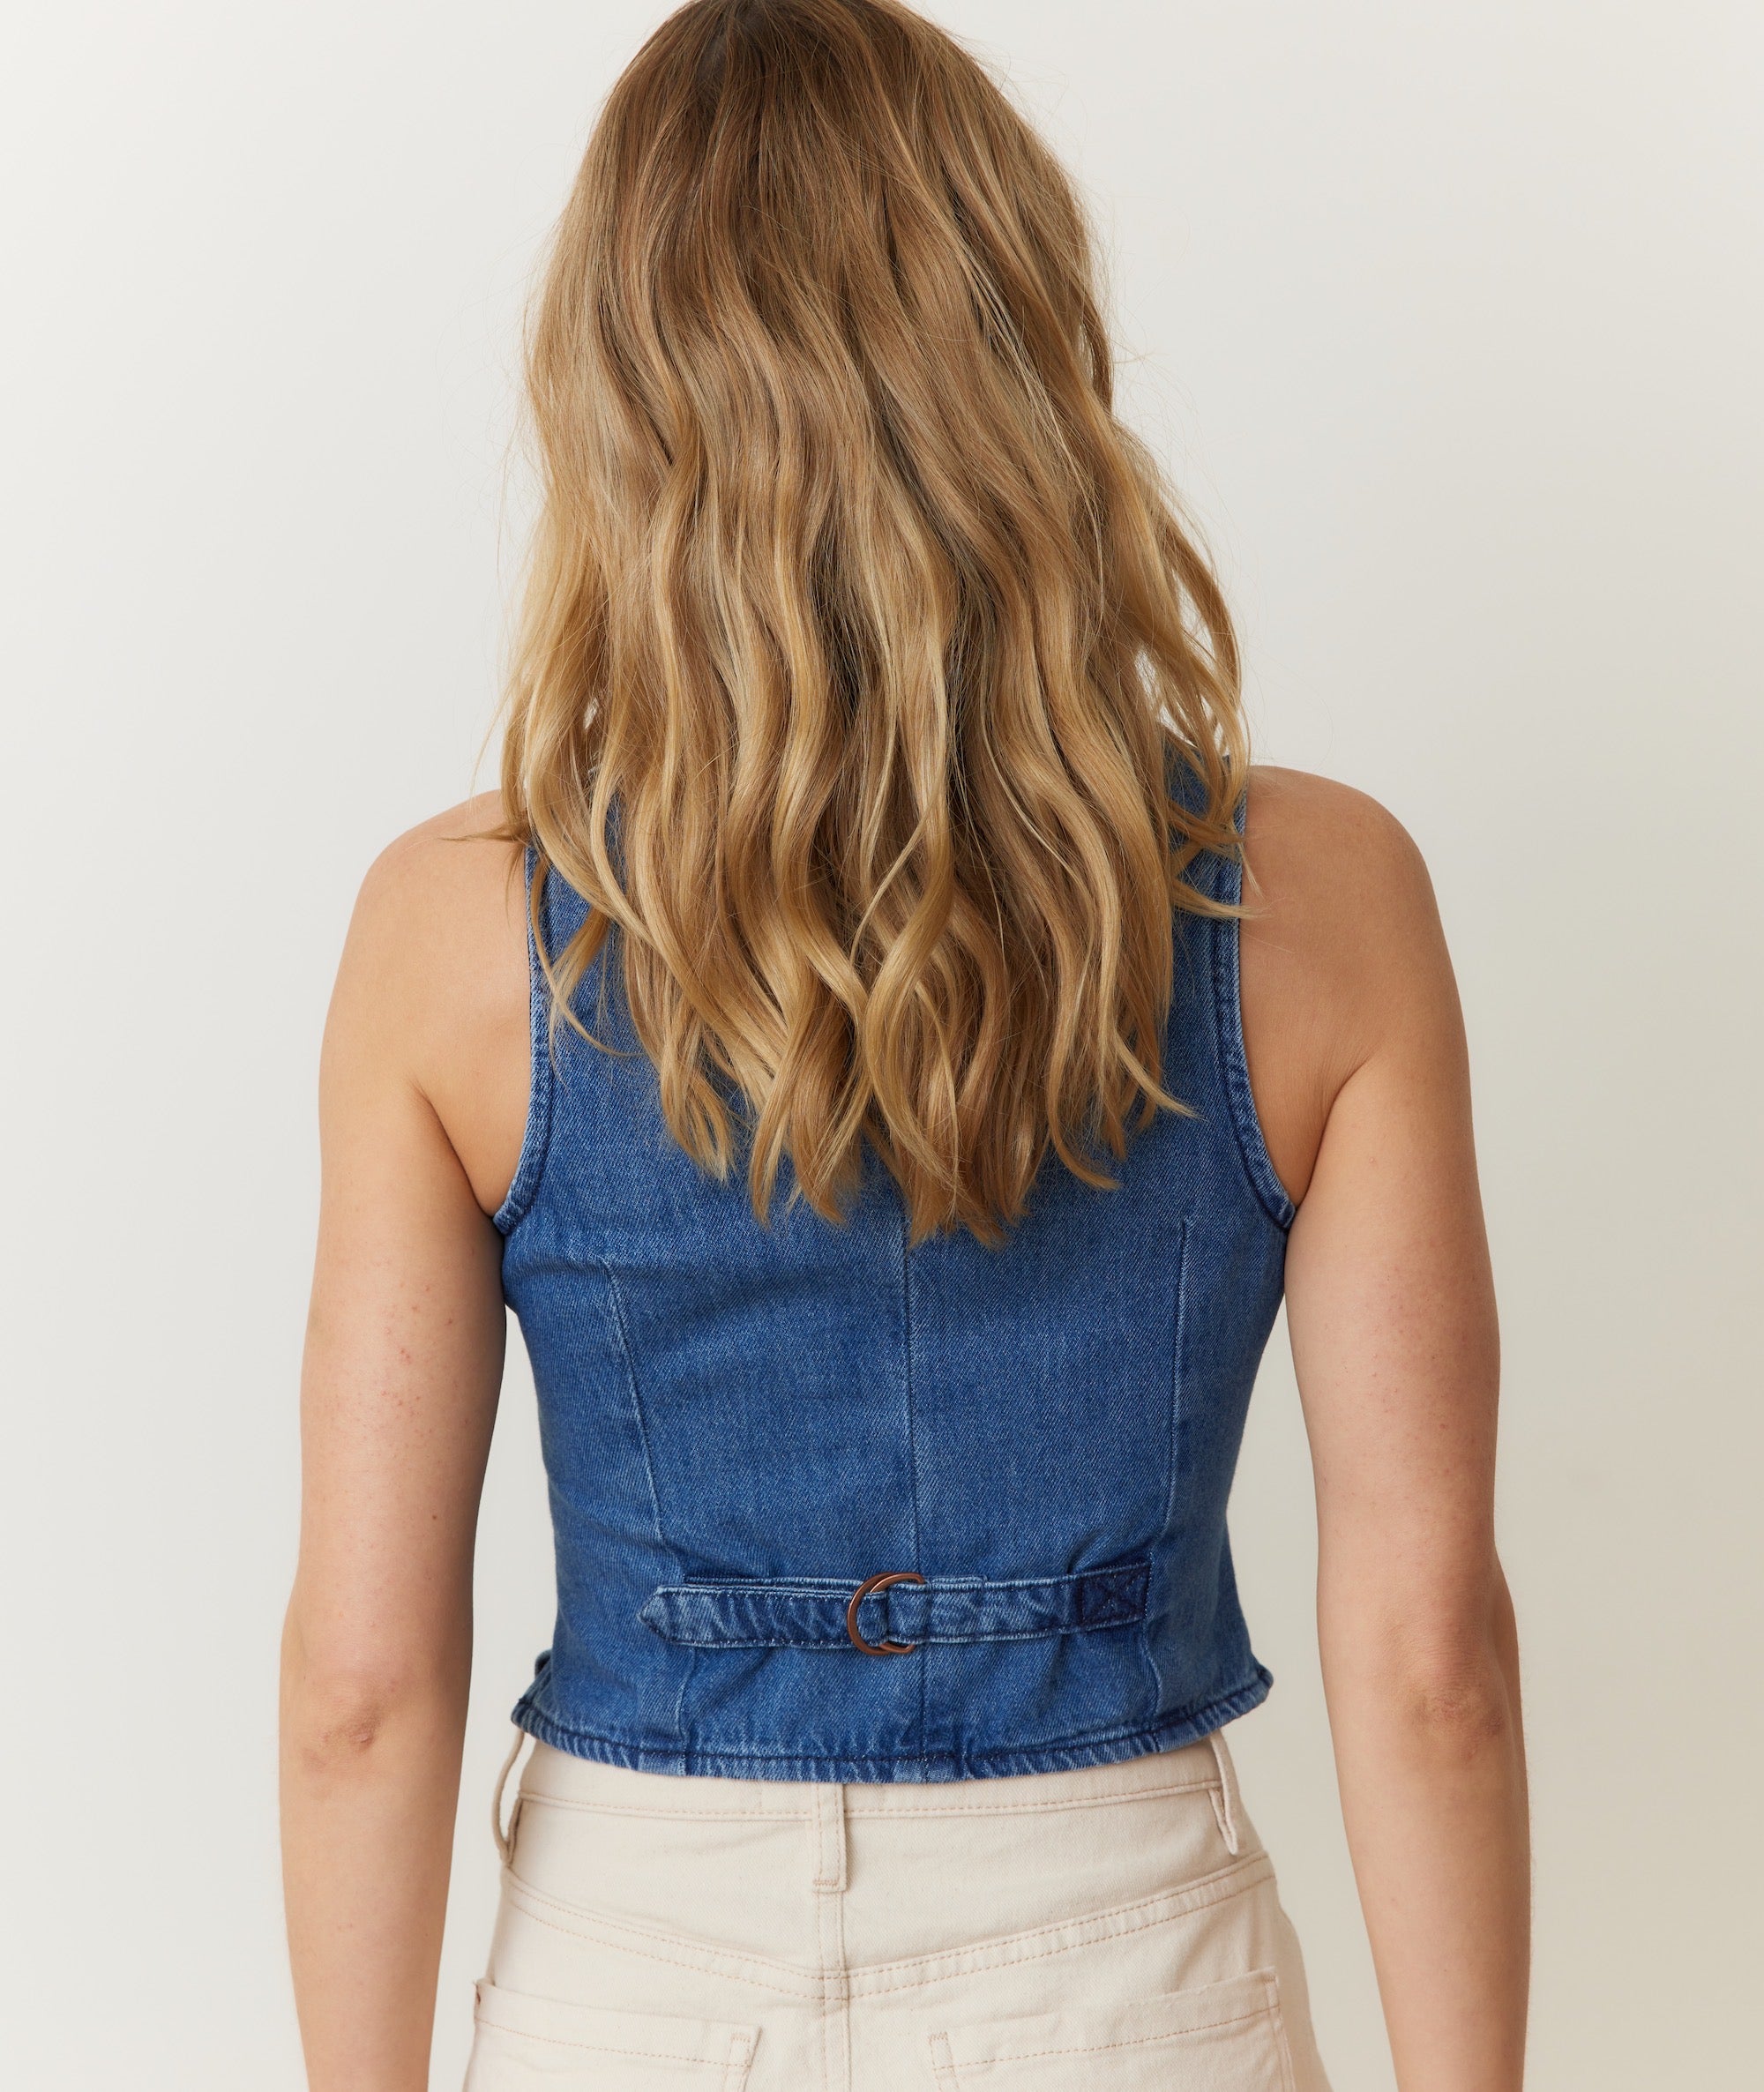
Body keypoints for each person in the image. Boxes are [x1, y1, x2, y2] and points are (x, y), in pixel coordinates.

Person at [278, 3, 1530, 2087]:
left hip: (631, 1979)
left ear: (622, 397)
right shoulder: (1320, 904)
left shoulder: (452, 936)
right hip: (1134, 1975)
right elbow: (1429, 1659)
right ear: (1027, 346)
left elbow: (358, 1688)